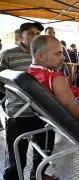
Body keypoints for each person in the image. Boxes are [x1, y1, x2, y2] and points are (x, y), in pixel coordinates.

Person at [0, 22, 56, 180]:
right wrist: (15, 94)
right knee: (16, 155)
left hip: (45, 112)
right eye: (31, 33)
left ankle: (38, 176)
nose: (36, 36)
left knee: (44, 150)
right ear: (21, 35)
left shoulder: (45, 54)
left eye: (38, 32)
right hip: (18, 114)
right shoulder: (8, 54)